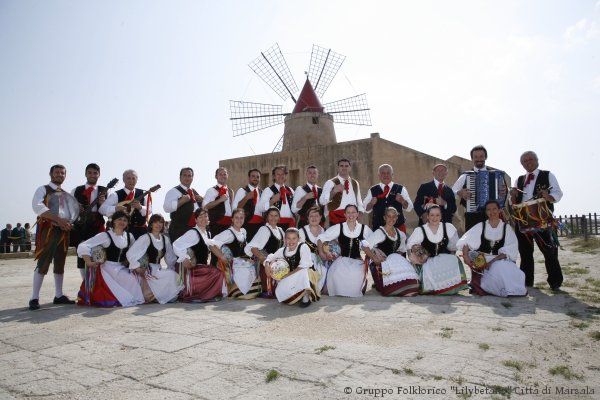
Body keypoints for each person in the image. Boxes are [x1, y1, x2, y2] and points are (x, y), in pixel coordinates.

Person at [510, 151, 563, 290]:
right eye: (525, 161)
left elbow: (558, 193)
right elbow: (514, 203)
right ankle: (527, 282)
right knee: (525, 252)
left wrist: (548, 196)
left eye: (531, 159)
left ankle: (555, 282)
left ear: (537, 160)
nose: (528, 162)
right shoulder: (519, 180)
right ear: (522, 164)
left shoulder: (548, 175)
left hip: (543, 219)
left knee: (549, 250)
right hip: (523, 221)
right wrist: (513, 196)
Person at [29, 164, 77, 310]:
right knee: (43, 262)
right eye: (57, 172)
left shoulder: (67, 194)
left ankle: (58, 295)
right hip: (47, 230)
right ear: (51, 174)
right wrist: (58, 220)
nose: (60, 175)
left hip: (63, 232)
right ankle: (34, 298)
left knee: (60, 262)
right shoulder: (43, 189)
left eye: (62, 173)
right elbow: (37, 207)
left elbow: (70, 214)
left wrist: (69, 223)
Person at [458, 200, 527, 297]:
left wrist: (492, 262)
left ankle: (510, 290)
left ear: (499, 210)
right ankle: (503, 289)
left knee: (506, 269)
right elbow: (466, 242)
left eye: (494, 209)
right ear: (486, 212)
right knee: (499, 270)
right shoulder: (481, 226)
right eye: (488, 210)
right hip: (482, 260)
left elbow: (509, 250)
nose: (492, 212)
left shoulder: (506, 228)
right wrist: (466, 257)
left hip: (499, 259)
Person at [77, 211, 144, 307]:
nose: (122, 222)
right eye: (119, 219)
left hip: (121, 267)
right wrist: (88, 262)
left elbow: (135, 252)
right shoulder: (105, 235)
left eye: (125, 220)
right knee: (128, 279)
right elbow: (84, 245)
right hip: (107, 268)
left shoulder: (130, 236)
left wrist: (134, 264)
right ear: (114, 222)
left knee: (134, 279)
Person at [406, 205, 468, 295]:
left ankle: (449, 286)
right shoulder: (420, 230)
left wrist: (451, 254)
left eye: (437, 215)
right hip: (427, 261)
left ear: (441, 216)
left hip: (442, 260)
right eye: (432, 215)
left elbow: (454, 246)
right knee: (430, 265)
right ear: (427, 216)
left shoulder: (448, 227)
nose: (434, 218)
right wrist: (415, 259)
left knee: (453, 259)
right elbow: (410, 246)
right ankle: (432, 286)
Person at [317, 204, 373, 297]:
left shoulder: (364, 229)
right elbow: (321, 238)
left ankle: (362, 284)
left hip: (357, 261)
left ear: (358, 214)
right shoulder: (339, 227)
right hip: (342, 260)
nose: (351, 215)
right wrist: (322, 253)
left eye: (353, 212)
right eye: (348, 212)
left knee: (355, 275)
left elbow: (373, 242)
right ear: (345, 214)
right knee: (336, 273)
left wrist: (369, 255)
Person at [126, 214, 183, 304]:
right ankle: (155, 296)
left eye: (161, 222)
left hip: (158, 268)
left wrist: (171, 268)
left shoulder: (165, 239)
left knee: (171, 275)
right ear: (151, 224)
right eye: (155, 222)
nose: (158, 225)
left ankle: (160, 295)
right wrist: (137, 266)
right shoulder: (145, 238)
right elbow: (130, 254)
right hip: (146, 270)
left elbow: (170, 258)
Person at [363, 207, 420, 296]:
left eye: (394, 216)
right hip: (381, 264)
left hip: (393, 262)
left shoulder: (400, 234)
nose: (391, 219)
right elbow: (364, 245)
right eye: (389, 216)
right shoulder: (379, 232)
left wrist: (395, 260)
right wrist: (374, 258)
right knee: (390, 288)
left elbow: (401, 250)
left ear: (397, 218)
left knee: (410, 282)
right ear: (384, 217)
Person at [172, 208, 225, 302]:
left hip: (201, 268)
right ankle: (202, 294)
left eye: (205, 216)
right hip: (192, 269)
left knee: (218, 271)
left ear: (208, 219)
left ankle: (206, 294)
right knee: (216, 273)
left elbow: (212, 246)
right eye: (200, 217)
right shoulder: (193, 233)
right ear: (196, 220)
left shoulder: (207, 233)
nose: (203, 218)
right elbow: (176, 244)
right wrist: (184, 258)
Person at [264, 228, 320, 307]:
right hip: (292, 276)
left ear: (299, 239)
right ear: (284, 239)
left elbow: (304, 265)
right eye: (288, 238)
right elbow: (271, 257)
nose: (291, 241)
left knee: (304, 271)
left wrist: (287, 276)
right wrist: (267, 264)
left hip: (306, 275)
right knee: (281, 291)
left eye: (294, 238)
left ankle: (306, 296)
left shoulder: (303, 247)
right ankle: (296, 295)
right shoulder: (282, 250)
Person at [212, 208, 261, 299]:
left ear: (244, 219)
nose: (239, 220)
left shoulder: (243, 231)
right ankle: (238, 291)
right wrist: (222, 257)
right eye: (236, 218)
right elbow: (211, 244)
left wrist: (247, 258)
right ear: (232, 219)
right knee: (245, 271)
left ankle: (245, 292)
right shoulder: (228, 233)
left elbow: (242, 250)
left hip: (242, 262)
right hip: (233, 265)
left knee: (253, 267)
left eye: (241, 218)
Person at [71, 163, 107, 279]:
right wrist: (77, 209)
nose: (92, 175)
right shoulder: (76, 190)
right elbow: (69, 210)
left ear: (99, 175)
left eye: (95, 173)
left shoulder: (104, 191)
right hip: (80, 227)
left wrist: (102, 204)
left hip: (97, 226)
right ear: (86, 174)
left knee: (98, 254)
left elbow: (107, 212)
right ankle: (85, 284)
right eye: (90, 172)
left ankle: (97, 285)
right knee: (82, 255)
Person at [245, 207, 286, 298]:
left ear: (279, 218)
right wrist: (265, 260)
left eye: (276, 216)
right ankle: (266, 288)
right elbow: (253, 248)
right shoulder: (264, 229)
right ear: (267, 217)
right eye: (271, 215)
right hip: (265, 262)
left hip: (276, 261)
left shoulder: (280, 230)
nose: (273, 218)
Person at [452, 145, 493, 231]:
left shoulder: (494, 175)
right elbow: (452, 191)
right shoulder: (466, 175)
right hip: (472, 217)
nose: (478, 159)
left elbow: (503, 191)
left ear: (485, 157)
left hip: (492, 215)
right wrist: (460, 192)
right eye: (475, 157)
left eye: (481, 156)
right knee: (471, 243)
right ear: (472, 159)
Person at [100, 169, 150, 239]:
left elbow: (150, 210)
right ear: (123, 180)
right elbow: (102, 209)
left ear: (136, 180)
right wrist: (115, 208)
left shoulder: (144, 194)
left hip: (141, 232)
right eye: (128, 178)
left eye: (133, 178)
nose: (131, 181)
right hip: (122, 232)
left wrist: (140, 207)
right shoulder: (116, 195)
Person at [363, 164, 413, 232]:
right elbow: (365, 209)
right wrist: (371, 203)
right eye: (383, 173)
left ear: (392, 175)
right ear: (379, 175)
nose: (386, 175)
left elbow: (409, 208)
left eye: (388, 173)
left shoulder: (401, 189)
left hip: (398, 228)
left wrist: (403, 201)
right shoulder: (373, 190)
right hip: (379, 229)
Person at [163, 167, 203, 242]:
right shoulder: (173, 191)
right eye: (184, 175)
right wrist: (181, 201)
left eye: (189, 176)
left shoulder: (193, 191)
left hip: (194, 230)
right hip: (179, 231)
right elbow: (166, 208)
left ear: (192, 178)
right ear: (180, 177)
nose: (187, 178)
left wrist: (201, 201)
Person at [320, 158, 364, 225]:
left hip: (352, 218)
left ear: (350, 168)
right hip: (336, 219)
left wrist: (360, 214)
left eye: (346, 166)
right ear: (338, 168)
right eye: (341, 166)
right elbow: (322, 201)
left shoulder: (355, 183)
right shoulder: (330, 182)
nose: (344, 168)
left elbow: (359, 201)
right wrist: (334, 191)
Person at [258, 165, 296, 230]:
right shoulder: (268, 190)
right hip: (274, 224)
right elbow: (260, 208)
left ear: (285, 176)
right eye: (278, 174)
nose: (280, 176)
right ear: (274, 176)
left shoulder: (290, 190)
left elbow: (295, 208)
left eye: (283, 174)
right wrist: (272, 201)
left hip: (290, 224)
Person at [299, 206, 326, 291]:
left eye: (316, 216)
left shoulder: (323, 231)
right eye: (311, 216)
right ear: (308, 218)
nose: (314, 218)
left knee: (323, 270)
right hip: (305, 259)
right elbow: (299, 250)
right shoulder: (302, 231)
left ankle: (316, 292)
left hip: (319, 260)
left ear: (320, 217)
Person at [231, 168, 263, 241]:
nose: (255, 178)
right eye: (253, 176)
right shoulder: (242, 190)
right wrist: (246, 197)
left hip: (260, 225)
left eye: (257, 177)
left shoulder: (262, 192)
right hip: (247, 224)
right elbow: (235, 208)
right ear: (249, 178)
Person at [203, 167, 234, 238]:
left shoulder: (230, 191)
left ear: (227, 176)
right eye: (220, 174)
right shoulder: (211, 190)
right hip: (216, 225)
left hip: (229, 225)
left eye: (224, 174)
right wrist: (219, 200)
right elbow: (205, 207)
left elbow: (231, 207)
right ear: (216, 176)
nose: (223, 176)